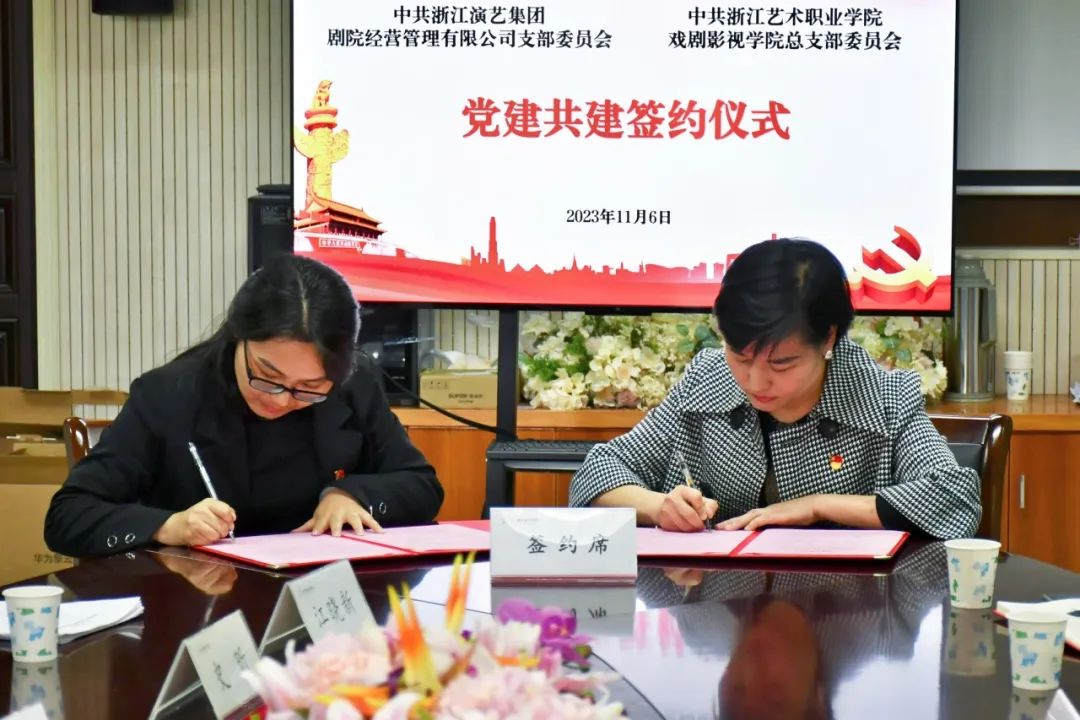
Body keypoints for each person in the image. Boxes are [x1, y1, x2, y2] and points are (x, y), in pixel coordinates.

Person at [569, 238, 980, 540]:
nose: (755, 381)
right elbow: (597, 472)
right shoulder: (707, 379)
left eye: (781, 363)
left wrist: (816, 506)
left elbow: (955, 498)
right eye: (740, 356)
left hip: (846, 614)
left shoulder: (883, 397)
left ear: (828, 338)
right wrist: (660, 507)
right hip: (718, 611)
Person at [45, 254, 443, 557]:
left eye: (308, 388)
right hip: (199, 608)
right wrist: (169, 526)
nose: (281, 398)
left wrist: (350, 494)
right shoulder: (169, 395)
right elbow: (68, 515)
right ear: (239, 335)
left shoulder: (355, 385)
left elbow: (422, 486)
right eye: (266, 375)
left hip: (320, 609)